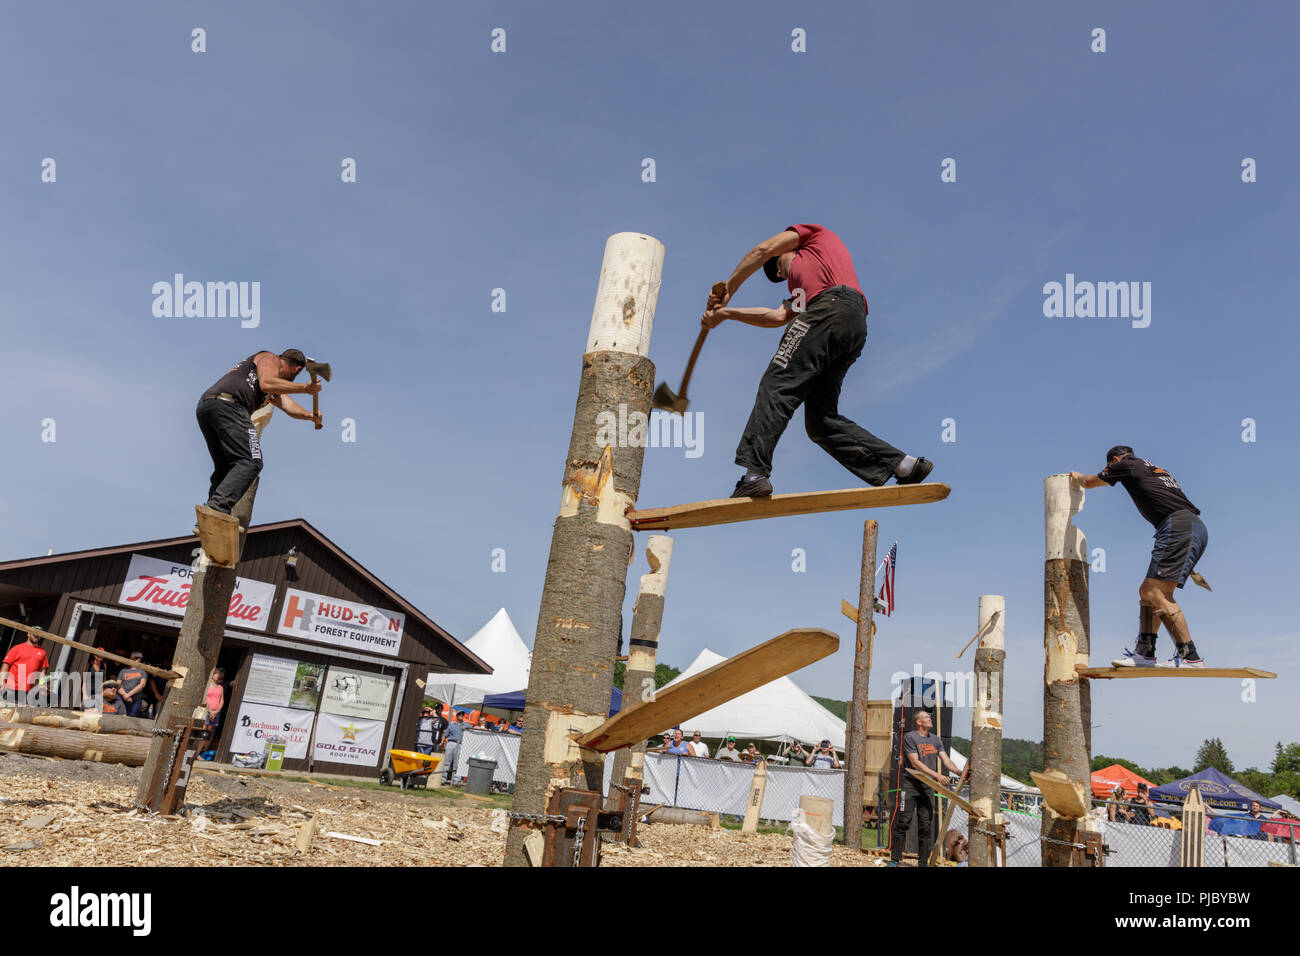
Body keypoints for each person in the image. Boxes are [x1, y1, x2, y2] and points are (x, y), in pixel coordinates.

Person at [702, 224, 933, 498]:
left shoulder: (815, 238)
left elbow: (761, 250)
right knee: (820, 422)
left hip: (829, 308)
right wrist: (727, 314)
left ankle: (755, 473)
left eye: (778, 266)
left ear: (788, 248)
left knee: (776, 385)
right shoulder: (800, 287)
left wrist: (729, 288)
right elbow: (777, 317)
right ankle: (903, 465)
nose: (780, 273)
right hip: (852, 324)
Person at [1070, 448, 1208, 667]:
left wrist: (1076, 477)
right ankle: (1145, 652)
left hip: (1178, 527)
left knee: (1152, 591)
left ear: (1114, 460)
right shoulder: (1152, 468)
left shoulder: (1125, 464)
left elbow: (1089, 482)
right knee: (1151, 593)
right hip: (1191, 527)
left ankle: (1190, 656)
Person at [197, 350, 322, 517]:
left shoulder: (271, 386)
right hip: (230, 406)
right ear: (296, 369)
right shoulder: (270, 358)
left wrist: (310, 416)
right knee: (251, 461)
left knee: (226, 469)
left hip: (209, 406)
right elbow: (267, 383)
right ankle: (218, 508)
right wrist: (305, 388)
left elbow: (288, 406)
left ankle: (211, 515)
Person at [890, 710, 963, 867]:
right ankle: (894, 860)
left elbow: (946, 760)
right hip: (910, 784)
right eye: (926, 717)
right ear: (919, 722)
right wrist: (937, 776)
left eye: (929, 717)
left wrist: (958, 771)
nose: (930, 719)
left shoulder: (936, 740)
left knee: (925, 826)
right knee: (903, 822)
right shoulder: (910, 737)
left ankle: (923, 863)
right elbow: (915, 763)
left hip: (928, 786)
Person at [1, 630, 49, 701]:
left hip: (27, 692)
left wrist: (40, 685)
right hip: (9, 688)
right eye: (34, 633)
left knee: (19, 712)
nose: (36, 635)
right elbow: (6, 665)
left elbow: (43, 671)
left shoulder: (42, 652)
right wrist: (1, 682)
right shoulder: (17, 648)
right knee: (3, 711)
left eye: (39, 634)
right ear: (28, 634)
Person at [117, 652, 149, 718]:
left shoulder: (142, 671)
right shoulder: (123, 670)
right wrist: (124, 695)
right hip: (122, 699)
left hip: (135, 701)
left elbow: (142, 685)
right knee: (119, 718)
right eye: (135, 658)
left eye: (139, 659)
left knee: (130, 720)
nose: (137, 660)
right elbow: (117, 684)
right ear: (130, 658)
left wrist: (128, 695)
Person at [202, 668, 225, 740]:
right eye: (216, 673)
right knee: (202, 730)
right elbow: (205, 698)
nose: (218, 675)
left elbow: (222, 701)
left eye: (219, 673)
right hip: (207, 710)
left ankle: (199, 751)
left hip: (215, 712)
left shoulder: (220, 687)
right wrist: (210, 710)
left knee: (207, 733)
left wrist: (216, 712)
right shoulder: (208, 685)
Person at [442, 712, 465, 784]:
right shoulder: (451, 724)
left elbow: (473, 728)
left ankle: (456, 780)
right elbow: (445, 735)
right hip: (451, 743)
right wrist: (441, 743)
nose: (461, 716)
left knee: (457, 763)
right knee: (446, 762)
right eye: (460, 715)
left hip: (461, 744)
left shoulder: (466, 725)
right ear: (457, 716)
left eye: (462, 715)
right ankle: (443, 778)